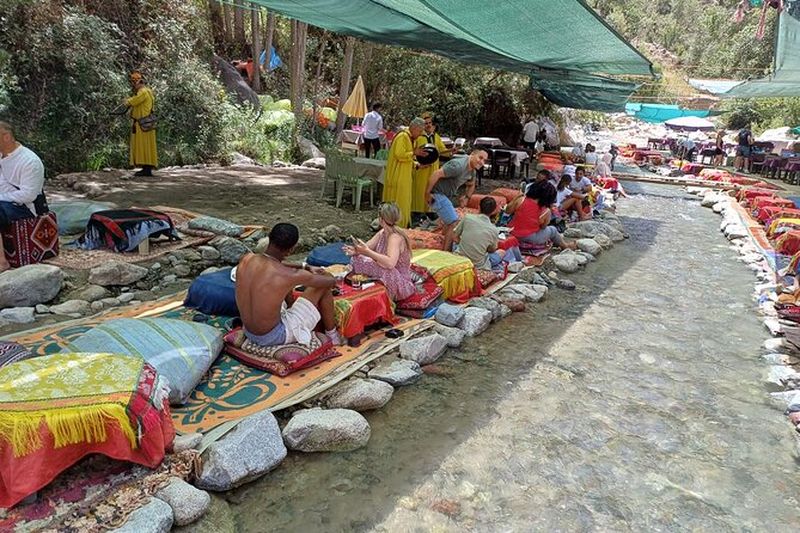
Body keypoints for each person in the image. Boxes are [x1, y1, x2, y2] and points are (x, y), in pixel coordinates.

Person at [236, 223, 342, 347]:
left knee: (283, 287)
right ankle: (333, 336)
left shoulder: (246, 259)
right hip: (274, 336)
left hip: (249, 331)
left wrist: (305, 266)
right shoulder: (289, 275)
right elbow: (330, 282)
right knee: (324, 282)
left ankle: (293, 310)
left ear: (269, 238)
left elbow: (271, 264)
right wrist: (326, 274)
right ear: (291, 249)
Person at [343, 203, 415, 301]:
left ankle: (386, 298)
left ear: (381, 220)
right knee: (357, 259)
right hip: (384, 268)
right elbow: (367, 247)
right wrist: (356, 250)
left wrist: (367, 252)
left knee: (388, 271)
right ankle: (365, 283)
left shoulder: (395, 237)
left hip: (400, 281)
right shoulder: (382, 233)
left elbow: (390, 264)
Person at [0, 121, 46, 272]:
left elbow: (28, 195)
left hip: (25, 208)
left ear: (6, 137)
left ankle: (2, 263)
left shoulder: (29, 161)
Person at [426, 149, 489, 252]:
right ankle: (445, 253)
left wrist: (466, 197)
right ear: (472, 154)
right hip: (436, 193)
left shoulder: (472, 170)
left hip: (446, 195)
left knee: (449, 221)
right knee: (453, 222)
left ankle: (441, 244)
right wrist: (427, 194)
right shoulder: (458, 166)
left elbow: (472, 184)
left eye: (484, 160)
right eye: (480, 158)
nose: (482, 162)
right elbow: (436, 174)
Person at [455, 196, 522, 273]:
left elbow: (455, 237)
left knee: (457, 246)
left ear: (478, 207)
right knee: (502, 252)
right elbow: (492, 249)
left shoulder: (467, 218)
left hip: (460, 258)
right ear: (493, 211)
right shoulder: (493, 229)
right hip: (478, 264)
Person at [506, 181, 576, 250]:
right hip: (529, 237)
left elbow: (507, 211)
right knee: (553, 230)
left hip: (512, 232)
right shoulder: (546, 211)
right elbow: (543, 227)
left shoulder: (521, 200)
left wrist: (517, 197)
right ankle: (565, 246)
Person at [383, 117, 426, 228]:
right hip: (397, 177)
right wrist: (414, 152)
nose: (420, 134)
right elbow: (399, 154)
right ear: (414, 128)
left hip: (404, 177)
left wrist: (416, 165)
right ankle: (396, 225)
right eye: (420, 131)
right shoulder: (403, 136)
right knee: (398, 202)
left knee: (404, 202)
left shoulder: (410, 138)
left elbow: (406, 160)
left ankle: (401, 225)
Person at [412, 113, 448, 224]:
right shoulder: (418, 137)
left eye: (429, 123)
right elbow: (413, 151)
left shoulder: (436, 137)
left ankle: (430, 211)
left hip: (433, 169)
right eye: (425, 123)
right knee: (419, 190)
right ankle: (416, 213)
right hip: (421, 169)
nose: (428, 125)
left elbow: (442, 150)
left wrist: (451, 151)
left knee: (432, 189)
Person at [125, 71, 157, 177]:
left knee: (144, 145)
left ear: (138, 82)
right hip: (146, 123)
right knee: (146, 145)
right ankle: (146, 168)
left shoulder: (143, 92)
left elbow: (134, 101)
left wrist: (127, 101)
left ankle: (146, 169)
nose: (134, 86)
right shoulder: (148, 91)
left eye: (134, 83)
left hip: (142, 124)